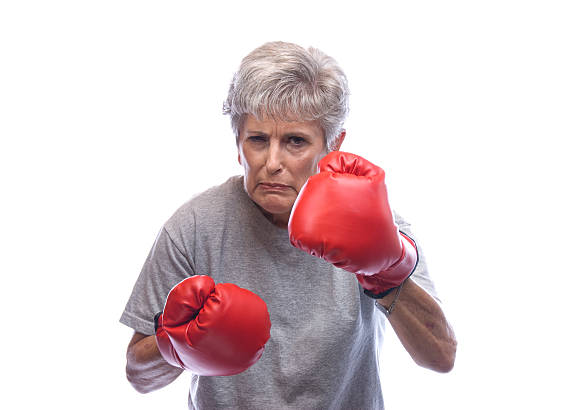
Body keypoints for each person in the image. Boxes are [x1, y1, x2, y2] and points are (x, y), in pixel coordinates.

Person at [121, 41, 457, 409]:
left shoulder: (375, 227)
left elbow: (440, 357)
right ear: (238, 144)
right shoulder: (194, 227)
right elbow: (138, 375)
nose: (273, 162)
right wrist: (179, 344)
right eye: (258, 140)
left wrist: (386, 274)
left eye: (295, 141)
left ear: (332, 147)